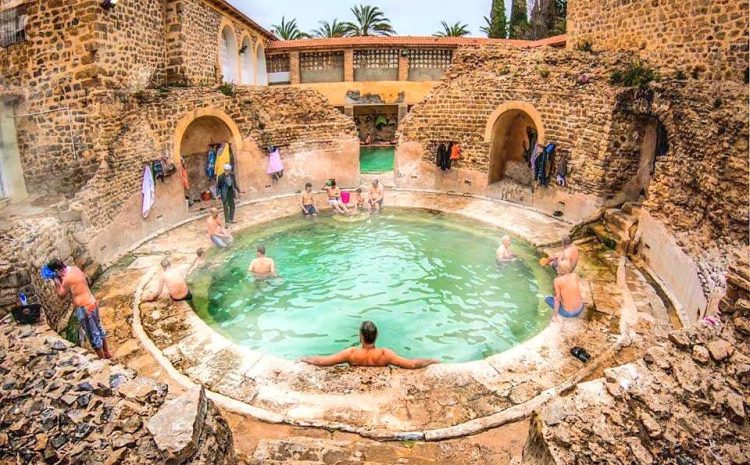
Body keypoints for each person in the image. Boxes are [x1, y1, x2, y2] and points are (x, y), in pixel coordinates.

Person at [300, 321, 439, 369]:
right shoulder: (385, 354)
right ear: (377, 335)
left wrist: (304, 358)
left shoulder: (351, 353)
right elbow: (412, 364)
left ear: (360, 336)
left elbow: (323, 361)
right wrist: (431, 360)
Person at [47, 259, 111, 359]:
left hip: (85, 309)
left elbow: (61, 295)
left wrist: (56, 282)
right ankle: (107, 353)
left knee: (93, 337)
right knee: (98, 329)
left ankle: (103, 360)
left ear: (56, 271)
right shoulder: (75, 269)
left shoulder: (67, 279)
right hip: (92, 303)